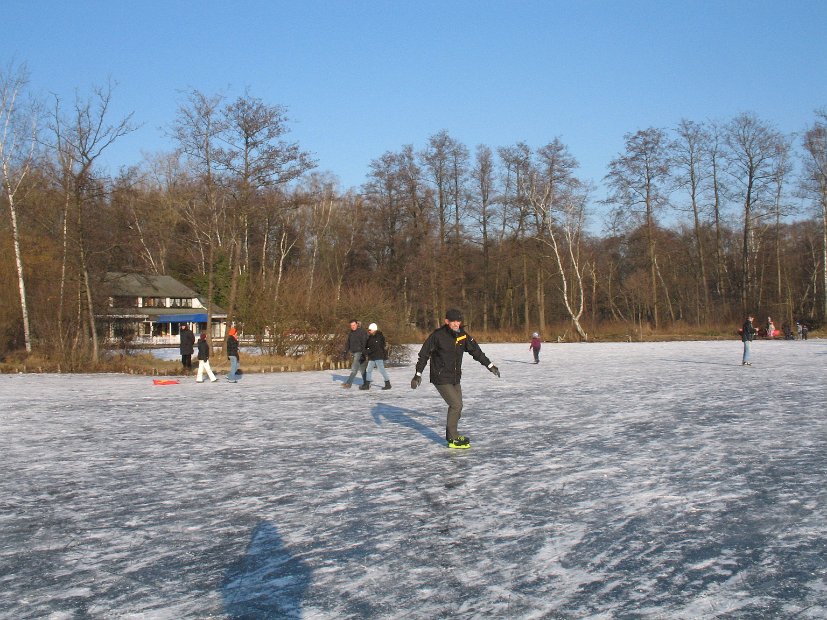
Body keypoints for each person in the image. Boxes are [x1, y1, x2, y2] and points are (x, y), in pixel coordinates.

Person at [411, 308, 500, 449]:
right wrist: (418, 374)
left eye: (458, 321)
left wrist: (489, 365)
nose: (456, 324)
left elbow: (476, 351)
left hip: (454, 377)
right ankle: (452, 438)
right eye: (453, 321)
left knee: (458, 406)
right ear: (447, 321)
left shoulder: (462, 336)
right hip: (440, 377)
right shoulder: (438, 336)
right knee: (456, 405)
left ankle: (452, 434)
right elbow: (424, 354)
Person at [361, 323, 391, 390]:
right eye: (368, 330)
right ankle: (367, 385)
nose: (368, 331)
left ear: (374, 329)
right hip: (372, 356)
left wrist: (367, 351)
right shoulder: (371, 337)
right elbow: (368, 345)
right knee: (368, 370)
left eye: (370, 330)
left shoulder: (378, 336)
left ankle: (388, 384)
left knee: (381, 370)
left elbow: (375, 347)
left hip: (378, 356)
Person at [342, 319, 368, 388]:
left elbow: (364, 342)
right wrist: (345, 352)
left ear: (357, 324)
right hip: (354, 352)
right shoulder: (351, 333)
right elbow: (348, 343)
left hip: (359, 352)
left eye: (353, 325)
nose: (352, 327)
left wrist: (363, 353)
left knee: (354, 369)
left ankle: (348, 383)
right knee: (362, 370)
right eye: (351, 325)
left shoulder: (362, 332)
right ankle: (367, 383)